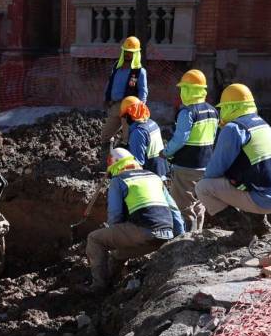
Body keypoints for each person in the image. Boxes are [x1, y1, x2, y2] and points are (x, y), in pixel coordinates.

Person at [196, 84, 271, 247]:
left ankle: (242, 232)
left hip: (267, 198)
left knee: (203, 187)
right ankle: (261, 227)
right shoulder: (261, 123)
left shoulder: (233, 128)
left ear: (231, 107)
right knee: (239, 182)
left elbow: (214, 171)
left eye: (223, 108)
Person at [86, 148, 184, 292]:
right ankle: (113, 283)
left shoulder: (118, 180)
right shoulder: (154, 177)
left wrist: (116, 235)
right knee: (117, 255)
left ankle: (99, 286)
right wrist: (180, 237)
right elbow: (174, 209)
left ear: (115, 166)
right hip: (166, 233)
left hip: (144, 230)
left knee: (94, 239)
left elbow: (115, 214)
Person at [163, 69, 219, 232]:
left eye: (183, 89)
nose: (181, 92)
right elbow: (214, 135)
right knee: (198, 201)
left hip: (187, 165)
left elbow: (181, 138)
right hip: (207, 164)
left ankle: (185, 238)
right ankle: (197, 234)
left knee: (182, 203)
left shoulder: (187, 112)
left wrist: (166, 152)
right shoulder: (212, 110)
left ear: (189, 90)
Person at [101, 36, 148, 151]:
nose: (127, 54)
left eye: (131, 52)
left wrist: (139, 108)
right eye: (126, 51)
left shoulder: (139, 72)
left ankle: (125, 162)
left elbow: (143, 91)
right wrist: (106, 98)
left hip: (129, 109)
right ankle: (108, 157)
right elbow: (110, 83)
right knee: (105, 135)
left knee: (127, 139)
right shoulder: (117, 67)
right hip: (115, 106)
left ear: (136, 54)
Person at [118, 96, 168, 179]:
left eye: (125, 116)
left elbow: (138, 163)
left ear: (129, 115)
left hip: (150, 175)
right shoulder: (152, 123)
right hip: (161, 169)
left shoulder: (138, 133)